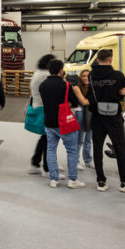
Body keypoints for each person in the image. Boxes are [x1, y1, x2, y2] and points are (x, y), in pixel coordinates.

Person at [87, 49, 125, 193]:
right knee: (119, 148)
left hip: (97, 116)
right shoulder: (118, 75)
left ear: (97, 59)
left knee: (97, 148)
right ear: (110, 59)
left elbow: (90, 94)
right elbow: (123, 92)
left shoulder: (92, 75)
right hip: (113, 117)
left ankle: (101, 181)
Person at [39, 59, 88, 188]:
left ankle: (54, 179)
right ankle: (72, 180)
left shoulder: (42, 85)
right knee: (71, 150)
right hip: (64, 122)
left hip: (49, 122)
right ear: (61, 70)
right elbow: (75, 102)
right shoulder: (65, 85)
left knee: (51, 149)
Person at [28, 54, 55, 176]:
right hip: (44, 108)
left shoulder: (38, 73)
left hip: (39, 106)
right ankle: (47, 167)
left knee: (45, 137)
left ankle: (36, 162)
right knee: (48, 138)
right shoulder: (46, 75)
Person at [75, 69, 93, 168]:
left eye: (87, 76)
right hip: (80, 114)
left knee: (88, 139)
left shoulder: (93, 87)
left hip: (91, 114)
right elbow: (83, 102)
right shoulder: (77, 88)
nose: (85, 78)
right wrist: (93, 101)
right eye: (83, 76)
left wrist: (89, 101)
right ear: (80, 78)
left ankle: (88, 160)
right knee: (79, 139)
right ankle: (76, 161)